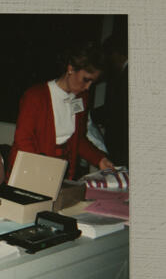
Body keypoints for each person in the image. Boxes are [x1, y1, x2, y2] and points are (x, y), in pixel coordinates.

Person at [7, 41, 114, 180]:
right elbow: (23, 141)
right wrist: (45, 173)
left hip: (61, 173)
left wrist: (99, 159)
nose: (88, 87)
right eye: (86, 79)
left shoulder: (82, 98)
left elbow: (78, 139)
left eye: (92, 82)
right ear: (71, 69)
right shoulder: (35, 96)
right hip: (29, 172)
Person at [95, 33, 129, 168]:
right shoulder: (124, 75)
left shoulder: (126, 76)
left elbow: (116, 109)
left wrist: (91, 115)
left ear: (117, 54)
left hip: (122, 144)